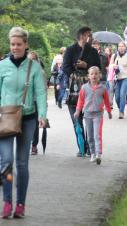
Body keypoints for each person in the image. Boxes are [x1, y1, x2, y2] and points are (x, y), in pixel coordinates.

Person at [0, 27, 47, 218]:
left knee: (21, 163)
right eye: (12, 44)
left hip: (27, 118)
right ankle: (7, 201)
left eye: (19, 44)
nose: (15, 47)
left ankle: (20, 204)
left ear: (26, 45)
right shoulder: (2, 66)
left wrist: (42, 115)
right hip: (6, 118)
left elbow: (41, 93)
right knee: (7, 161)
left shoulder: (33, 67)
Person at [62, 26, 101, 157]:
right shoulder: (70, 50)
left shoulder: (93, 52)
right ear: (82, 36)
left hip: (90, 91)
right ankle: (81, 147)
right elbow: (65, 67)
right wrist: (75, 74)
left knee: (89, 119)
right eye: (89, 35)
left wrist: (87, 66)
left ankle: (90, 148)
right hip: (74, 91)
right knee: (76, 120)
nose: (91, 37)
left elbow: (98, 69)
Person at [74, 66, 112, 165]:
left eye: (96, 73)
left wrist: (109, 111)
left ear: (100, 75)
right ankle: (92, 153)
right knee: (90, 136)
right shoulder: (84, 88)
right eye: (92, 74)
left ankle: (99, 154)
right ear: (88, 76)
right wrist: (77, 111)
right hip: (87, 115)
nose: (94, 75)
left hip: (98, 115)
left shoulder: (102, 88)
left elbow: (107, 101)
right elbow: (80, 100)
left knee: (97, 135)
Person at [28, 51, 47, 155]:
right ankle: (26, 144)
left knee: (35, 125)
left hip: (36, 102)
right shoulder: (22, 72)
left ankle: (34, 145)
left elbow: (44, 90)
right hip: (25, 102)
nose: (31, 62)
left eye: (33, 59)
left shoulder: (41, 73)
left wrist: (44, 107)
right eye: (29, 59)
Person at [109, 41, 127, 119]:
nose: (120, 47)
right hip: (117, 78)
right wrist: (114, 66)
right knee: (117, 96)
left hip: (126, 77)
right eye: (119, 46)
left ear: (125, 47)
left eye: (122, 46)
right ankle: (122, 106)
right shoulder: (114, 56)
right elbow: (110, 66)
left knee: (122, 94)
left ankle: (121, 112)